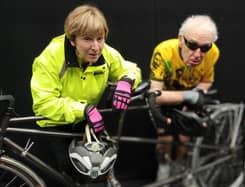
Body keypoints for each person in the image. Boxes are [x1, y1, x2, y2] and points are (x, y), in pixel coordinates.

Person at [30, 4, 141, 186]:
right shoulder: (50, 57)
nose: (96, 47)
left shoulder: (104, 53)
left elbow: (130, 68)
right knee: (67, 178)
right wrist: (84, 108)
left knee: (94, 177)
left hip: (86, 122)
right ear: (72, 40)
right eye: (88, 39)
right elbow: (44, 103)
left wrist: (126, 81)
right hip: (57, 124)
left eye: (100, 39)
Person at [148, 15, 220, 186]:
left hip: (190, 96)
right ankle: (164, 171)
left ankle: (181, 170)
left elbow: (207, 80)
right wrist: (188, 96)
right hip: (166, 99)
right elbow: (155, 94)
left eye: (204, 48)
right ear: (181, 39)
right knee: (164, 142)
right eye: (192, 45)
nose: (198, 54)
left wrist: (196, 94)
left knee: (184, 141)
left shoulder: (213, 52)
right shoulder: (164, 51)